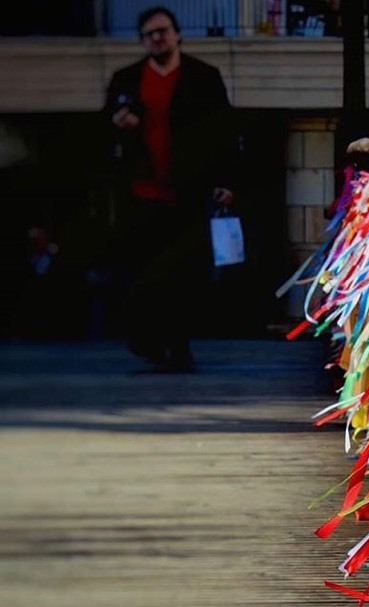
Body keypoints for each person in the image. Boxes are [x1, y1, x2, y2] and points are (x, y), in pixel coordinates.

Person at [104, 5, 237, 371]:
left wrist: (226, 181)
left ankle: (178, 349)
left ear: (177, 34)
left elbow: (223, 132)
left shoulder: (203, 78)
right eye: (149, 34)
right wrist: (120, 125)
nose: (156, 38)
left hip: (187, 193)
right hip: (141, 193)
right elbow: (103, 133)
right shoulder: (126, 79)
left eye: (162, 31)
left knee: (182, 275)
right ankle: (148, 342)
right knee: (144, 272)